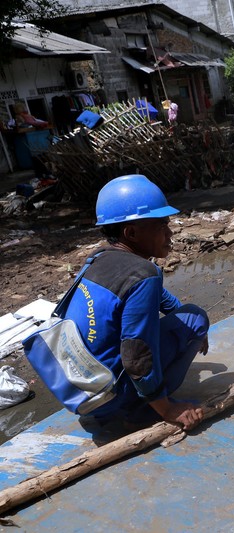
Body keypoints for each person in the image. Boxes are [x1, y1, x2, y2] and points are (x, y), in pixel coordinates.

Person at [63, 174, 208, 431]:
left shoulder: (99, 258)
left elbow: (161, 297)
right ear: (131, 232)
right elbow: (136, 354)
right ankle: (139, 411)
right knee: (196, 318)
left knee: (186, 318)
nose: (170, 233)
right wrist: (167, 409)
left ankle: (127, 403)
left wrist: (179, 316)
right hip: (109, 397)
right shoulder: (143, 274)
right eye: (161, 225)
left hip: (80, 389)